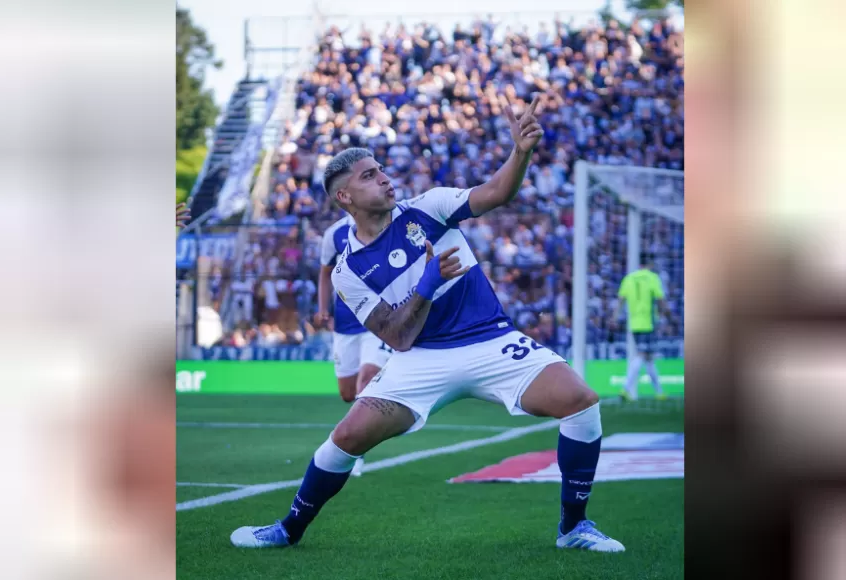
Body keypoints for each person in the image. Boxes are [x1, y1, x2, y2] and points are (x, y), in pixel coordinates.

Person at [231, 95, 624, 552]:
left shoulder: (429, 207)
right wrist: (427, 282)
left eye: (381, 169)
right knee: (347, 436)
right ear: (345, 197)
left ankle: (573, 527)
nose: (383, 178)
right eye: (369, 176)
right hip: (421, 357)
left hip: (490, 341)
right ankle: (287, 529)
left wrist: (521, 152)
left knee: (580, 400)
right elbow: (396, 336)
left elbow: (496, 193)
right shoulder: (347, 271)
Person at [317, 213, 394, 475]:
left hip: (379, 319)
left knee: (367, 379)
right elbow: (325, 273)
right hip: (345, 322)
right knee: (348, 393)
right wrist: (323, 308)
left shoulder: (386, 222)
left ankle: (355, 451)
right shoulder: (334, 234)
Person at [611, 257, 671, 401]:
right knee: (642, 355)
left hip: (634, 323)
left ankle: (659, 392)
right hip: (648, 323)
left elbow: (620, 300)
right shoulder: (652, 278)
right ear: (650, 264)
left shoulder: (629, 278)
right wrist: (668, 314)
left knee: (649, 358)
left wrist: (614, 317)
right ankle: (625, 389)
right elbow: (660, 299)